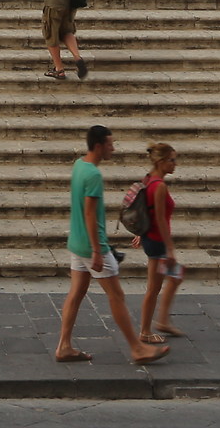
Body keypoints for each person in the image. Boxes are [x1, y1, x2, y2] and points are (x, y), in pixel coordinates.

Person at [54, 124, 166, 365]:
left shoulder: (79, 165)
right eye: (110, 144)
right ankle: (137, 348)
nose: (113, 149)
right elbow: (90, 215)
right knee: (117, 295)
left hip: (76, 241)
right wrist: (97, 249)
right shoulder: (93, 175)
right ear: (98, 146)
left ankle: (64, 346)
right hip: (92, 246)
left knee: (76, 293)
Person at [133, 141, 184, 343]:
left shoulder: (148, 179)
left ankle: (163, 321)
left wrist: (140, 233)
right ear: (162, 161)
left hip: (150, 237)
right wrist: (170, 249)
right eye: (172, 160)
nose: (175, 164)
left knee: (177, 276)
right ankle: (145, 331)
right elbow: (161, 220)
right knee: (153, 289)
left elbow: (145, 210)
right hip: (157, 242)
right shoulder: (159, 186)